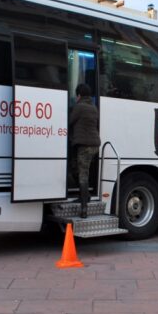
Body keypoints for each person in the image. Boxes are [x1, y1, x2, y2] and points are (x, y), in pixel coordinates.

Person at [69, 84, 100, 218]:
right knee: (75, 167)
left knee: (82, 174)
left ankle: (84, 208)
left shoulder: (79, 107)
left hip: (85, 145)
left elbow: (70, 121)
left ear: (79, 95)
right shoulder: (93, 108)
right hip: (94, 145)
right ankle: (85, 196)